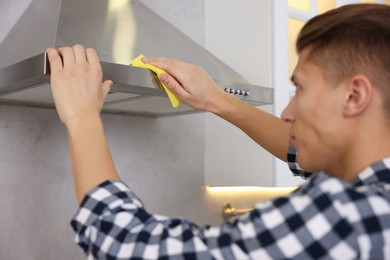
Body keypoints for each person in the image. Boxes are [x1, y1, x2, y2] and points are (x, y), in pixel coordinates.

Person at [47, 3, 390, 259]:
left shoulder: (350, 213)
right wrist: (216, 100)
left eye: (300, 89)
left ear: (354, 96)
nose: (286, 114)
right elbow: (300, 154)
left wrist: (81, 115)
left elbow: (127, 246)